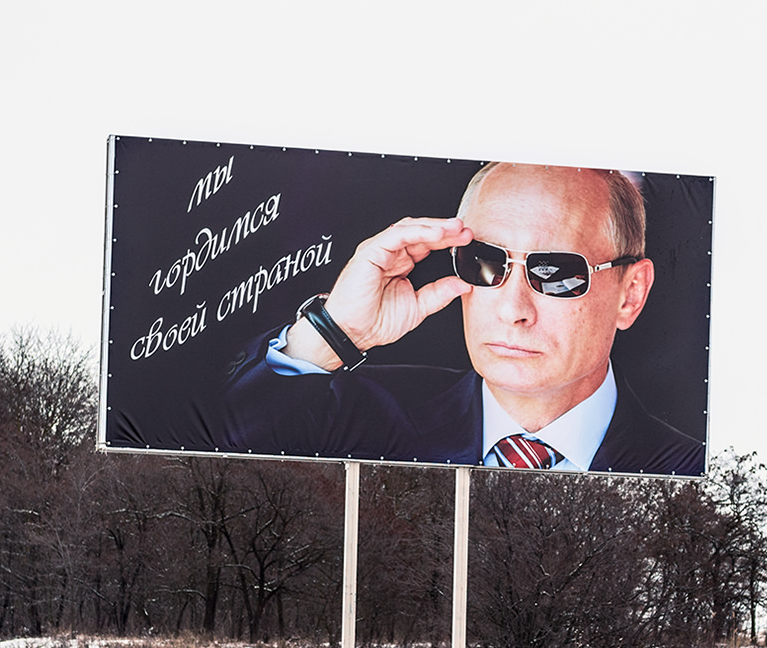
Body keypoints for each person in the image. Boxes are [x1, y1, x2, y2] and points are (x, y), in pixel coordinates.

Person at [218, 163, 704, 474]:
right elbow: (217, 448)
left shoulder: (691, 467)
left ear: (630, 294)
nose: (514, 309)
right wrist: (336, 332)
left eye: (555, 272)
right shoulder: (359, 417)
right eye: (485, 263)